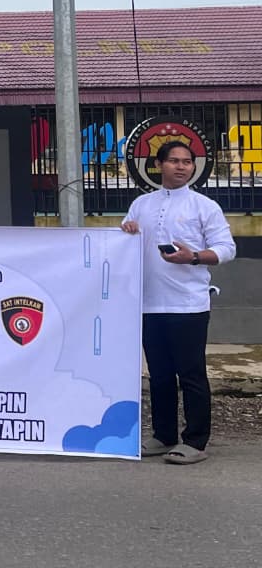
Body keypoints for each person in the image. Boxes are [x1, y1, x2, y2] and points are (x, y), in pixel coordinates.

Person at [120, 139, 236, 465]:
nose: (182, 167)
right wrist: (126, 230)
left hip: (188, 305)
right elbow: (125, 242)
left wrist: (195, 257)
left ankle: (196, 441)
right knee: (159, 375)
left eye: (187, 161)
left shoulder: (204, 206)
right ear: (158, 165)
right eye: (174, 161)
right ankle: (164, 435)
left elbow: (226, 249)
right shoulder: (141, 204)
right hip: (149, 304)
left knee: (191, 375)